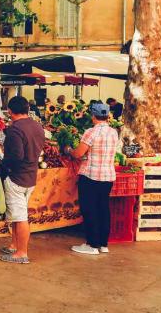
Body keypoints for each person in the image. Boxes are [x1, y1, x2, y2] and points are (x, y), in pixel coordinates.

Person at [65, 101, 119, 255]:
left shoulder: (91, 132)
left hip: (91, 176)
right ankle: (103, 244)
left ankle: (92, 244)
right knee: (103, 208)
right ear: (107, 116)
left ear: (93, 116)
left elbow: (78, 154)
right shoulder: (113, 132)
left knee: (90, 210)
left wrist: (68, 149)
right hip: (108, 176)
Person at [0, 96, 46, 264]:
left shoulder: (15, 129)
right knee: (17, 214)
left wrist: (4, 165)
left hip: (17, 177)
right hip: (31, 176)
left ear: (10, 111)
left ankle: (21, 253)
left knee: (20, 217)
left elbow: (16, 156)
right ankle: (14, 245)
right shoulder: (38, 126)